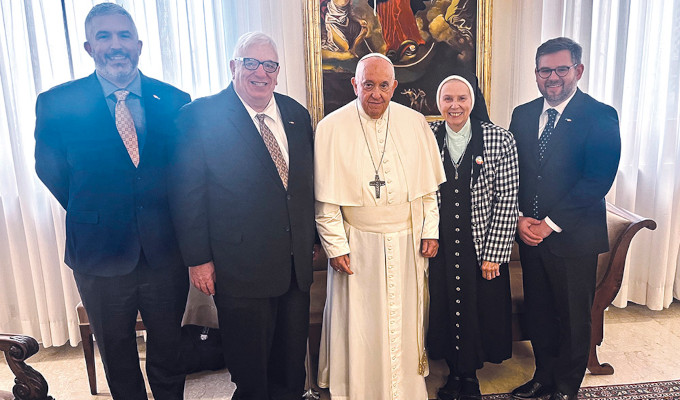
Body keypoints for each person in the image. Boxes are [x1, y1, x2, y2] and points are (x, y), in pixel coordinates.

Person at [33, 4, 190, 399]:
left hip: (165, 252)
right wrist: (96, 211)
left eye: (123, 36)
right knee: (118, 356)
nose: (115, 45)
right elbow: (49, 170)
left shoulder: (174, 100)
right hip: (97, 253)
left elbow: (185, 170)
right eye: (104, 36)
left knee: (169, 350)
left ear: (138, 45)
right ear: (89, 46)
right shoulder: (57, 103)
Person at [167, 31, 316, 400]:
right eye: (251, 63)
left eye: (270, 65)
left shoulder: (296, 114)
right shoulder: (199, 116)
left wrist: (310, 239)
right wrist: (198, 260)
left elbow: (303, 186)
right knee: (251, 369)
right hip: (239, 267)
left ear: (278, 72)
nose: (261, 73)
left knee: (290, 363)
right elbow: (187, 194)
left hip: (294, 266)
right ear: (234, 66)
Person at [314, 53, 446, 400]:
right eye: (368, 85)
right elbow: (326, 202)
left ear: (394, 87)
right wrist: (336, 246)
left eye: (383, 85)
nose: (376, 94)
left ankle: (403, 386)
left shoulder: (415, 123)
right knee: (360, 321)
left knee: (403, 318)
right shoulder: (331, 127)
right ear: (355, 84)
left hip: (406, 242)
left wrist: (430, 229)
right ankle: (359, 385)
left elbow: (428, 190)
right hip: (358, 244)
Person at [509, 37, 621, 400]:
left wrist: (549, 224)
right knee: (539, 314)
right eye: (545, 70)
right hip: (531, 237)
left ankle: (566, 388)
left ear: (578, 70)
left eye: (561, 69)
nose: (552, 77)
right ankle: (543, 378)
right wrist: (521, 217)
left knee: (573, 318)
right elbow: (514, 172)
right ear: (536, 74)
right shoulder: (523, 114)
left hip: (573, 238)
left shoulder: (600, 115)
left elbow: (597, 180)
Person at [427, 75, 519, 400]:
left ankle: (469, 377)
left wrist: (495, 252)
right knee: (445, 305)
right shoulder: (427, 137)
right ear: (438, 103)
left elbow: (507, 200)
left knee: (476, 306)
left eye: (462, 99)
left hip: (480, 243)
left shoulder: (500, 140)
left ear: (472, 101)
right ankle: (453, 372)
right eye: (448, 99)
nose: (455, 106)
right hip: (439, 243)